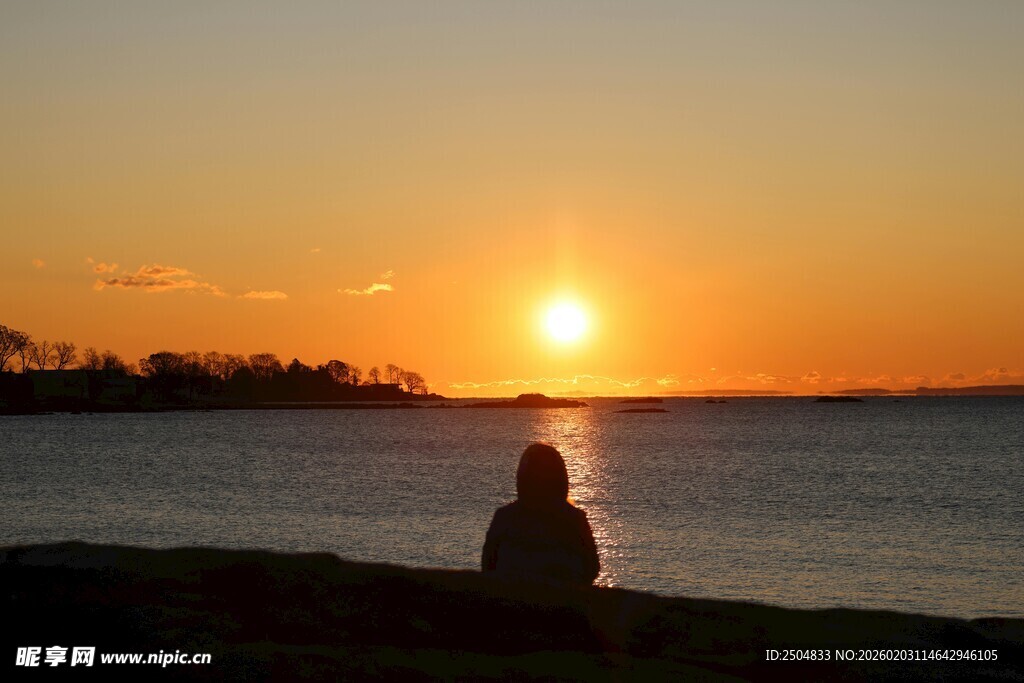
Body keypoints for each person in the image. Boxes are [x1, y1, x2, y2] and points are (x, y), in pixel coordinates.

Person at [481, 442, 600, 585]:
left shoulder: (504, 517)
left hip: (512, 602)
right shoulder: (575, 519)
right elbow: (592, 568)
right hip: (564, 602)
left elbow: (487, 567)